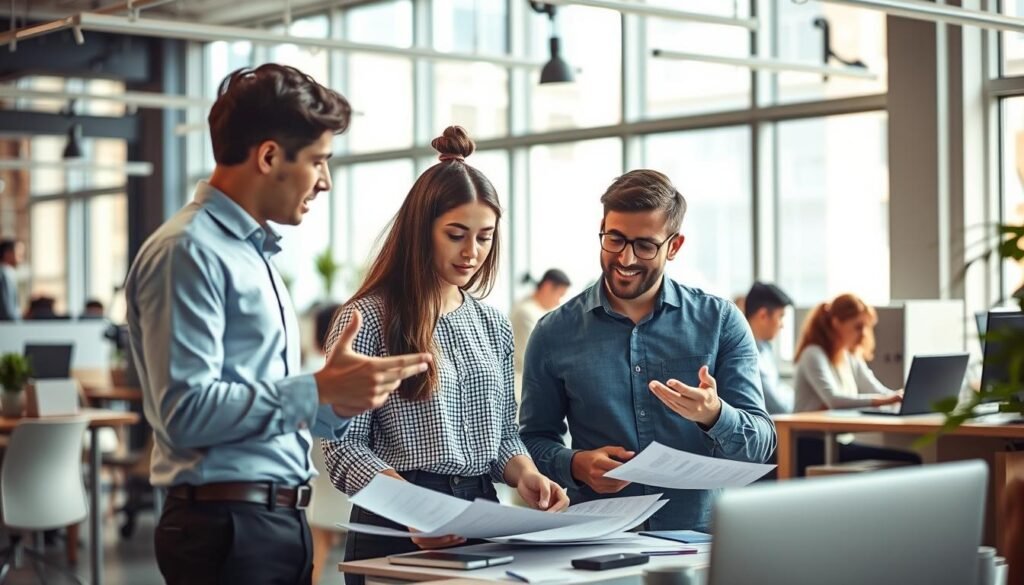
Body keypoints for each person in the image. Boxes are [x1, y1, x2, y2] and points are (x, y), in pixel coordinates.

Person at [124, 64, 432, 585]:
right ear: (269, 156)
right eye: (318, 161)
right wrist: (313, 388)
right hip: (227, 528)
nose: (326, 181)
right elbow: (185, 413)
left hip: (275, 520)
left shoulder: (254, 256)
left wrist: (334, 402)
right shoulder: (189, 252)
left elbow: (262, 408)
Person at [321, 126, 569, 584]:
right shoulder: (368, 318)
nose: (471, 252)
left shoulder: (493, 323)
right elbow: (341, 446)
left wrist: (525, 473)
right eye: (456, 234)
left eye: (485, 237)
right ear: (422, 232)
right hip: (397, 522)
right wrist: (415, 507)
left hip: (481, 517)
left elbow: (501, 438)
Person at [519, 169, 776, 532]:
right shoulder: (553, 332)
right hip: (599, 542)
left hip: (700, 541)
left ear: (674, 246)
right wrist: (575, 464)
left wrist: (715, 415)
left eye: (644, 245)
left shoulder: (720, 322)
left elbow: (761, 444)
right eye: (615, 239)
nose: (625, 259)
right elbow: (531, 440)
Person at [792, 292, 918, 475]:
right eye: (858, 327)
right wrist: (885, 400)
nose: (863, 334)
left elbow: (878, 391)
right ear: (836, 323)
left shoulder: (849, 356)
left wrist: (901, 397)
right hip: (813, 447)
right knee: (910, 461)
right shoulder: (813, 354)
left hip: (837, 443)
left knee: (909, 460)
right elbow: (834, 400)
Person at [509, 268, 571, 405]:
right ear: (548, 286)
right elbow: (539, 356)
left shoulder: (539, 310)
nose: (559, 301)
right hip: (524, 388)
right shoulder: (525, 313)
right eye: (560, 294)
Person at [744, 282, 795, 415]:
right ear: (763, 315)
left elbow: (779, 390)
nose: (782, 325)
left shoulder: (765, 349)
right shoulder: (746, 354)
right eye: (780, 316)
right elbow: (777, 406)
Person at [0, 238, 23, 321]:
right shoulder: (4, 275)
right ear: (7, 254)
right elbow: (8, 311)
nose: (22, 256)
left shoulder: (8, 273)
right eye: (19, 253)